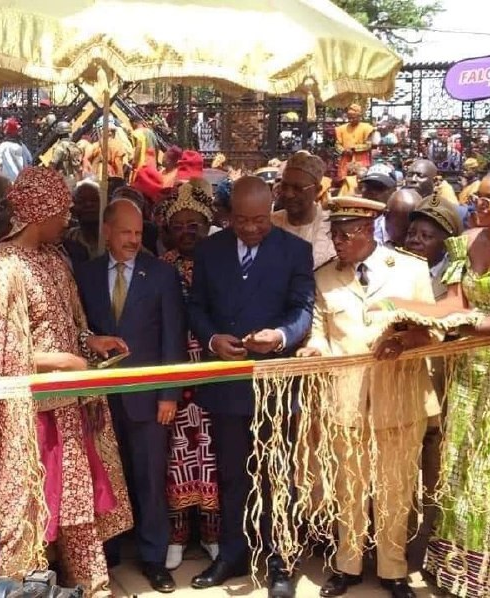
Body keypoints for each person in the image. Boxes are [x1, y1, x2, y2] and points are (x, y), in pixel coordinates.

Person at [0, 167, 133, 594]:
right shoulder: (2, 267)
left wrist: (91, 341)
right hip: (26, 412)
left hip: (67, 401)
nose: (68, 218)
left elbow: (71, 323)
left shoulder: (55, 258)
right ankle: (19, 584)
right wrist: (57, 360)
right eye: (61, 209)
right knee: (29, 498)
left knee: (75, 497)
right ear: (40, 211)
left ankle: (88, 580)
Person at [377, 168, 490, 597]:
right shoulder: (465, 243)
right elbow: (452, 301)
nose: (479, 205)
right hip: (465, 369)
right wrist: (402, 308)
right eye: (478, 197)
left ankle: (489, 574)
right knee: (459, 463)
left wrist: (453, 326)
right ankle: (454, 569)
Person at [297, 196, 438, 598]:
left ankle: (393, 570)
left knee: (396, 487)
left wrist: (408, 338)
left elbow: (434, 328)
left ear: (368, 229)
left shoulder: (410, 270)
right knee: (349, 486)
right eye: (334, 233)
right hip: (347, 399)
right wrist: (314, 349)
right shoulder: (324, 277)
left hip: (400, 396)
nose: (338, 242)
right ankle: (348, 565)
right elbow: (321, 332)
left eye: (345, 234)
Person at [188, 176, 314, 597]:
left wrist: (279, 337)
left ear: (271, 209)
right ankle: (232, 554)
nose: (250, 229)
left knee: (278, 475)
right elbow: (197, 306)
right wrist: (211, 339)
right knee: (231, 475)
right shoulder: (209, 250)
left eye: (259, 221)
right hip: (227, 382)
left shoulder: (296, 251)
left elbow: (302, 310)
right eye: (241, 221)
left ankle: (281, 560)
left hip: (274, 384)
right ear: (229, 216)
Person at [75, 198, 186, 593]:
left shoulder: (161, 275)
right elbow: (80, 331)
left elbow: (173, 338)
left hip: (147, 397)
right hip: (100, 398)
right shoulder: (84, 275)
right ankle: (109, 551)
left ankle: (154, 559)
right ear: (107, 231)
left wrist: (168, 395)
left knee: (150, 479)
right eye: (125, 232)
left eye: (139, 233)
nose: (133, 240)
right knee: (105, 477)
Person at [156, 183, 221, 570]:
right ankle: (178, 534)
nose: (187, 232)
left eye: (194, 224)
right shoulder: (160, 267)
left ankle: (212, 533)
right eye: (178, 225)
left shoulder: (220, 262)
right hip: (175, 370)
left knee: (211, 454)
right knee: (177, 455)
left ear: (207, 224)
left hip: (213, 371)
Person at [403, 195, 463, 543]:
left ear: (446, 242)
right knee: (403, 473)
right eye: (412, 233)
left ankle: (434, 542)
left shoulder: (456, 280)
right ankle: (403, 539)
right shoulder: (397, 272)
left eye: (427, 235)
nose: (416, 241)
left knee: (436, 468)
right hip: (405, 389)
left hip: (441, 391)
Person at [271, 152, 336, 269]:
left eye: (298, 188)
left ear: (317, 190)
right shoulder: (270, 224)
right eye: (284, 186)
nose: (289, 194)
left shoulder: (332, 226)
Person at [335, 104, 374, 180]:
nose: (351, 120)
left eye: (353, 118)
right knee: (344, 181)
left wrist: (354, 148)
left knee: (360, 180)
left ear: (359, 117)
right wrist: (343, 150)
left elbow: (368, 145)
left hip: (361, 160)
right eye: (349, 118)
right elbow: (337, 145)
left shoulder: (367, 128)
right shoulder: (341, 129)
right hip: (346, 159)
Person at [65, 179, 103, 259]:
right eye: (81, 200)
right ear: (73, 207)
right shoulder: (68, 239)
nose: (88, 204)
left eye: (94, 200)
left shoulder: (114, 239)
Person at [50, 121, 84, 189]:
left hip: (62, 179)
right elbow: (79, 167)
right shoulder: (74, 146)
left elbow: (52, 165)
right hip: (73, 178)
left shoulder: (59, 147)